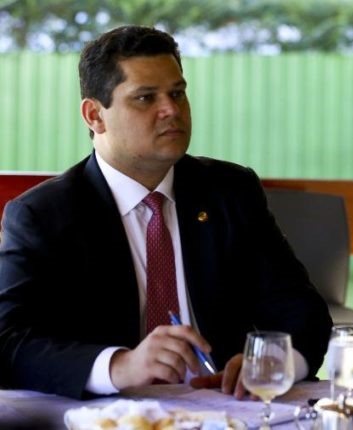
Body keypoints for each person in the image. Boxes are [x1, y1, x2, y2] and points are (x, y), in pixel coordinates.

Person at [0, 25, 332, 399]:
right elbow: (9, 342)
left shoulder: (231, 192)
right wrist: (120, 365)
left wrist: (275, 362)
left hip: (227, 409)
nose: (171, 110)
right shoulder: (43, 214)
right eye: (145, 98)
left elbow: (303, 313)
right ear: (95, 115)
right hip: (111, 414)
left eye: (177, 93)